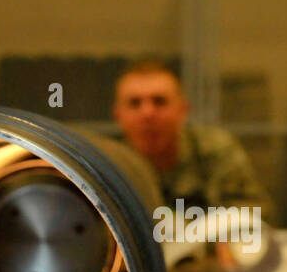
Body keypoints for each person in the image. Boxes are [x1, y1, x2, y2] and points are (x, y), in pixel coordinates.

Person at [111, 58, 274, 221]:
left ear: (182, 110)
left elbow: (256, 209)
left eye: (159, 102)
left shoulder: (214, 150)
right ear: (118, 115)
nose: (147, 114)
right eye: (134, 103)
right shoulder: (110, 164)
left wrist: (226, 234)